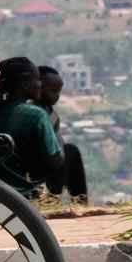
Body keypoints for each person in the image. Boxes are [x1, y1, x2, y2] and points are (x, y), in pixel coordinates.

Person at [0, 57, 64, 198]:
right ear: (24, 84)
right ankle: (70, 199)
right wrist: (54, 127)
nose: (40, 85)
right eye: (37, 79)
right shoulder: (36, 114)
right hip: (23, 192)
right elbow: (56, 161)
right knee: (71, 152)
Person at [36, 65, 88, 204]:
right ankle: (50, 198)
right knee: (70, 151)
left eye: (58, 91)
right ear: (38, 87)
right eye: (52, 91)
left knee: (71, 151)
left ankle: (80, 201)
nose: (57, 96)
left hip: (54, 164)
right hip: (39, 170)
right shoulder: (32, 112)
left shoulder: (49, 110)